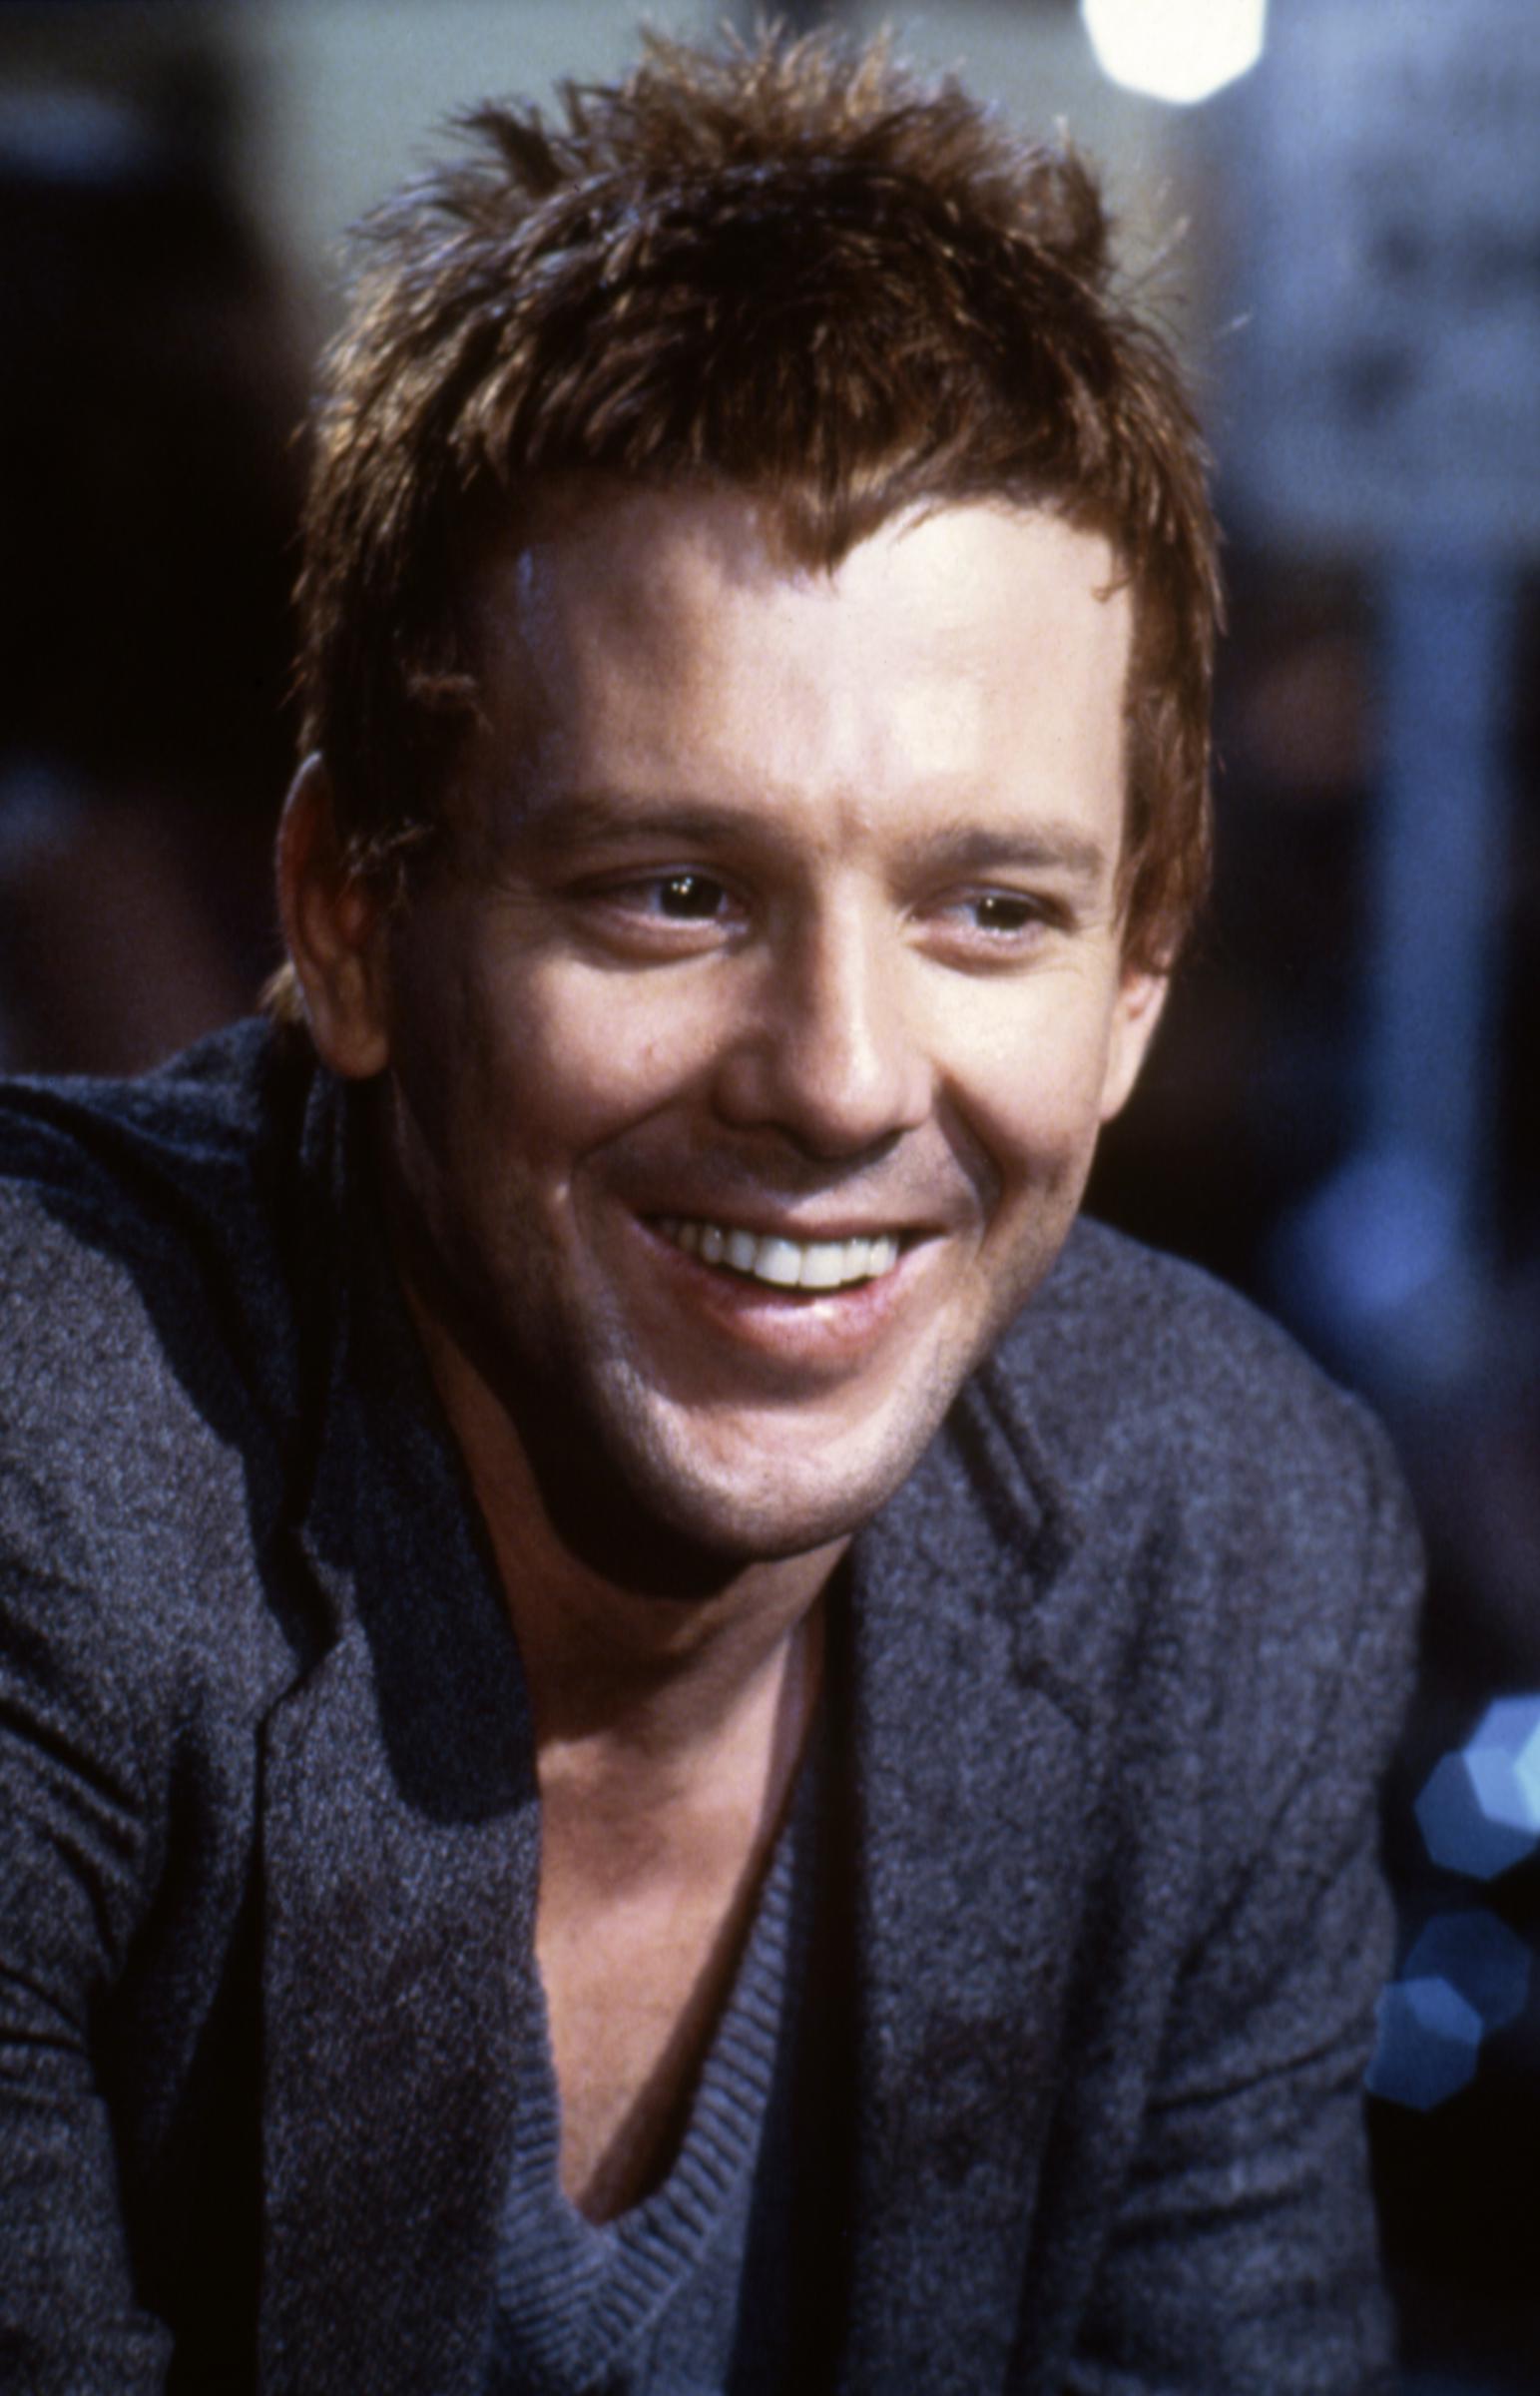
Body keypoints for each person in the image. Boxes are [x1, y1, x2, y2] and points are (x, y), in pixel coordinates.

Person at [0, 28, 1419, 2394]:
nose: (845, 1078)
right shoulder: (48, 1476)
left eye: (991, 912)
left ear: (1141, 979)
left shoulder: (1228, 1543)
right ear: (352, 919)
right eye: (672, 891)